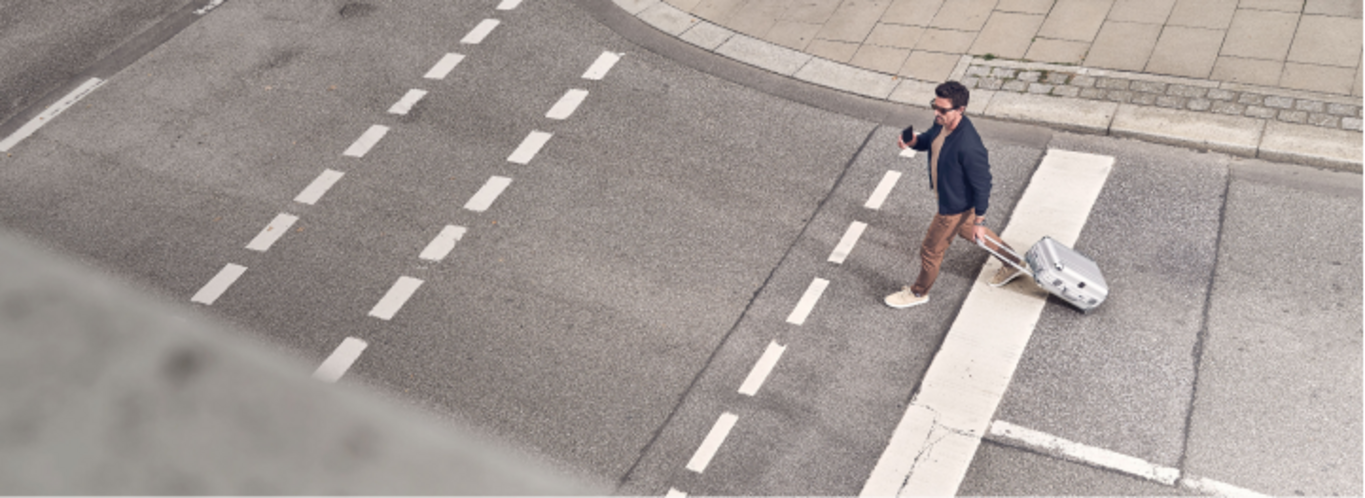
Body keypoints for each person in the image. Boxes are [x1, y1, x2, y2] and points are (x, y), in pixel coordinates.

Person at [884, 81, 1024, 309]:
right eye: (934, 106)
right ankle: (1013, 262)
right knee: (970, 231)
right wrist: (914, 142)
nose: (936, 113)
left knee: (930, 250)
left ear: (960, 110)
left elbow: (983, 184)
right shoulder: (942, 123)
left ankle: (919, 293)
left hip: (953, 208)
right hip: (958, 203)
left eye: (942, 109)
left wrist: (980, 219)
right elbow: (930, 140)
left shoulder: (969, 146)